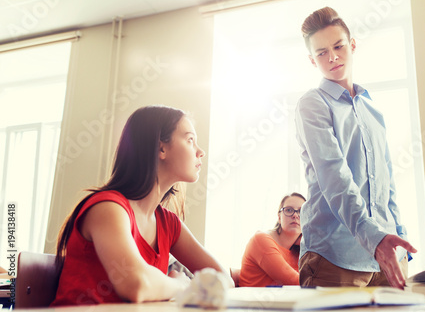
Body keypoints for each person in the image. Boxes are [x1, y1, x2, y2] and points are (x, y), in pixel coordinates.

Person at [51, 105, 231, 306]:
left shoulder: (169, 223)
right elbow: (137, 285)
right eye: (190, 140)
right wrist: (181, 284)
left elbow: (223, 279)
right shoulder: (108, 208)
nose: (201, 152)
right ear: (161, 148)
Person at [295, 7, 417, 289]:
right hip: (334, 257)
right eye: (322, 52)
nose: (332, 57)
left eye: (338, 46)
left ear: (352, 45)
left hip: (388, 257)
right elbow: (334, 178)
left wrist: (399, 238)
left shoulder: (371, 107)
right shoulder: (313, 104)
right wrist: (374, 239)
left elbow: (387, 181)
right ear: (312, 61)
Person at [239, 193, 305, 287]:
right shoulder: (261, 240)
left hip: (283, 300)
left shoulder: (300, 249)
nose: (295, 215)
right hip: (253, 301)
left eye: (301, 211)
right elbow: (297, 282)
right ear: (279, 217)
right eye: (289, 210)